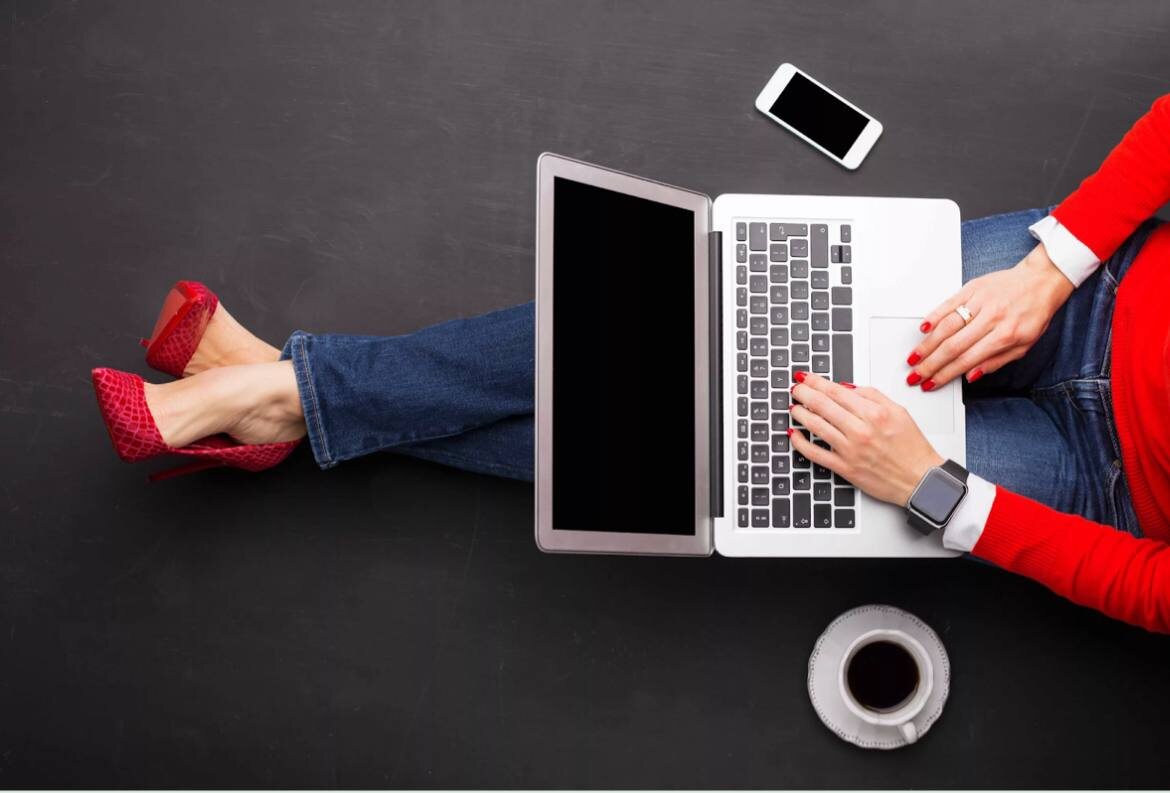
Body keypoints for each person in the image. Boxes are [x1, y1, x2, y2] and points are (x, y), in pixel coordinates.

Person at [92, 94, 1170, 633]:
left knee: (727, 464)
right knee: (696, 321)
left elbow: (1151, 589)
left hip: (1101, 485)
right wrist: (1055, 267)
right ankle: (285, 399)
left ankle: (282, 392)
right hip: (1099, 290)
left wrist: (934, 492)